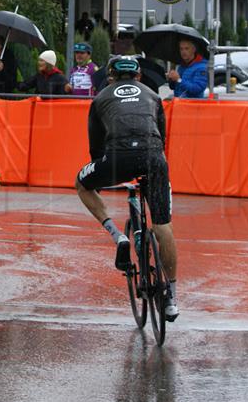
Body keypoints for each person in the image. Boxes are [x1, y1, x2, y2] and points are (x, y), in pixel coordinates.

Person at [75, 55, 179, 321]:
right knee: (163, 224)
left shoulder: (99, 99)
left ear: (110, 77)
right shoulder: (154, 96)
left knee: (81, 183)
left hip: (116, 159)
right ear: (139, 76)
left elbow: (95, 148)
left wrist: (105, 170)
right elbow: (162, 137)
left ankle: (117, 234)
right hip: (153, 158)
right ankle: (171, 297)